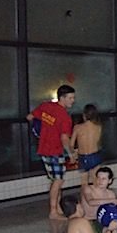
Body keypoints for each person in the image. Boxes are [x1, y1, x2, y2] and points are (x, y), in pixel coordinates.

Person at [28, 83, 76, 219]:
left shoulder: (46, 106)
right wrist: (71, 154)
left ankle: (58, 209)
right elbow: (64, 138)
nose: (73, 101)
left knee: (55, 180)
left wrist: (41, 130)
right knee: (58, 180)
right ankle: (53, 211)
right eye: (70, 98)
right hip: (55, 150)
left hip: (43, 148)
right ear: (62, 98)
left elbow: (30, 117)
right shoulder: (64, 117)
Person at [81, 166, 117, 233]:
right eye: (98, 178)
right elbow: (91, 202)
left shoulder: (110, 194)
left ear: (109, 181)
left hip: (106, 220)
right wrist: (113, 200)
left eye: (103, 179)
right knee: (114, 231)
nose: (100, 181)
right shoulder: (88, 189)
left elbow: (115, 210)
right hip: (91, 221)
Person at [72, 104, 103, 184]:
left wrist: (73, 154)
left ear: (84, 115)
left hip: (83, 157)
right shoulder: (98, 127)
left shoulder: (77, 127)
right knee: (96, 182)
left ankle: (85, 193)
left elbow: (71, 144)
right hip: (95, 156)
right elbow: (97, 141)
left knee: (84, 183)